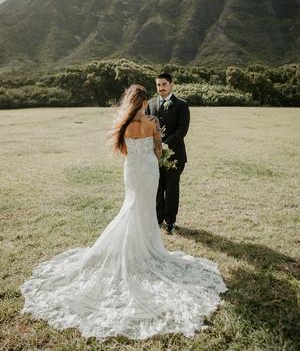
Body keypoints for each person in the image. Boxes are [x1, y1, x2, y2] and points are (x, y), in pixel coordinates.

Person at [20, 84, 227, 341]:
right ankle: (145, 246)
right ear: (143, 103)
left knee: (130, 207)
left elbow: (125, 151)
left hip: (132, 172)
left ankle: (129, 246)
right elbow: (158, 150)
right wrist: (154, 154)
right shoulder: (152, 122)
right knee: (145, 210)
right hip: (150, 172)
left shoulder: (124, 125)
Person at [146, 72, 190, 234]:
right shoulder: (150, 104)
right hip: (154, 155)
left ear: (171, 85)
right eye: (158, 85)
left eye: (164, 84)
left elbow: (182, 130)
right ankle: (157, 219)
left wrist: (164, 144)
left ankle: (170, 221)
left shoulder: (182, 105)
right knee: (157, 187)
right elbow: (147, 127)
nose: (161, 88)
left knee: (172, 188)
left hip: (175, 155)